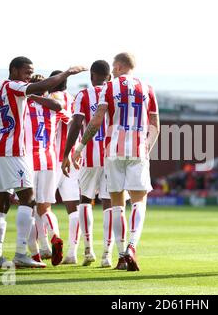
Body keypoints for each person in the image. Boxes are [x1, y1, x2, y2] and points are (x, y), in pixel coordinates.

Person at [0, 56, 86, 269]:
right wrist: (68, 73)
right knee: (29, 199)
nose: (28, 75)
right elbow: (45, 89)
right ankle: (20, 252)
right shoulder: (16, 86)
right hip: (15, 152)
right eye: (26, 71)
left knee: (2, 203)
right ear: (14, 70)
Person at [71, 52, 160, 271]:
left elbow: (97, 119)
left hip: (113, 151)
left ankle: (121, 256)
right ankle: (131, 246)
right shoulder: (147, 88)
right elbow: (155, 123)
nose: (112, 70)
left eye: (114, 66)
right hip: (138, 150)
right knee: (139, 200)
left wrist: (80, 147)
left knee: (117, 203)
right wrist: (147, 145)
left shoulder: (110, 88)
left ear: (119, 67)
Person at [62, 60, 118, 268]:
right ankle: (107, 255)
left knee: (85, 200)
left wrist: (68, 153)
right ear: (109, 76)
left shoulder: (83, 95)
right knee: (109, 202)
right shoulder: (115, 93)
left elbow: (77, 124)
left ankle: (88, 251)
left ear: (91, 76)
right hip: (113, 155)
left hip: (90, 155)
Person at [24, 73, 69, 266]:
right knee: (45, 208)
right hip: (49, 160)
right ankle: (54, 236)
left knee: (27, 209)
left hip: (27, 161)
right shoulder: (54, 108)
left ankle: (35, 254)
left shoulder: (24, 106)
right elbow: (69, 118)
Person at [48, 70, 82, 265]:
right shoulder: (75, 99)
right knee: (73, 207)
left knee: (42, 205)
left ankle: (44, 246)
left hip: (53, 159)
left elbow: (65, 120)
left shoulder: (51, 99)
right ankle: (72, 252)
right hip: (73, 159)